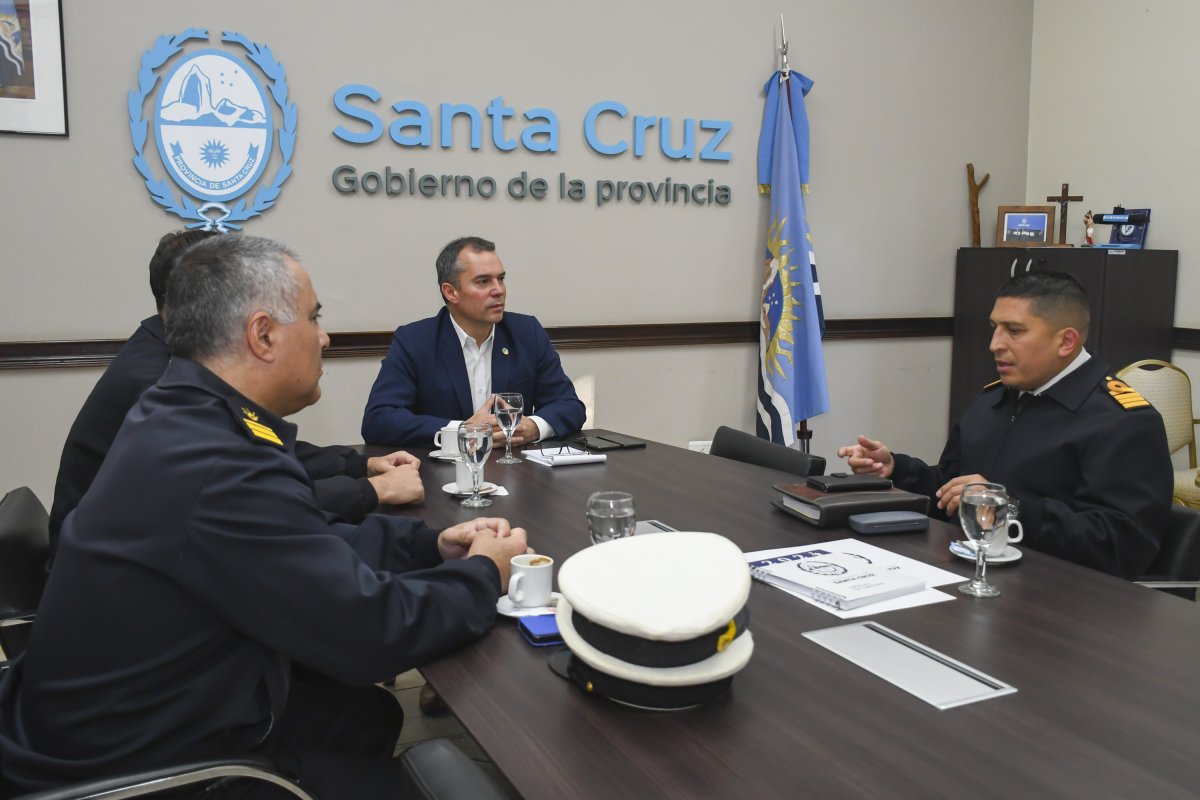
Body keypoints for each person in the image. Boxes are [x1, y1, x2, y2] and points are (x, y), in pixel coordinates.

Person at [0, 235, 530, 797]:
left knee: (364, 717)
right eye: (314, 317)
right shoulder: (219, 462)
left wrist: (429, 547)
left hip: (146, 709)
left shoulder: (190, 412)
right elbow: (371, 634)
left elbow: (305, 535)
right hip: (144, 765)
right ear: (263, 335)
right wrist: (482, 574)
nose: (324, 337)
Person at [47, 230, 423, 558]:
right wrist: (369, 491)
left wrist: (357, 466)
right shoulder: (161, 385)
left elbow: (264, 450)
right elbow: (258, 500)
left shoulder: (174, 357)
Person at [837, 270, 1172, 579]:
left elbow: (1121, 547)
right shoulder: (995, 399)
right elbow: (953, 488)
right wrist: (896, 470)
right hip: (967, 573)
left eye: (1014, 331)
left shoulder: (1124, 422)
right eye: (995, 327)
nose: (995, 344)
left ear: (1066, 342)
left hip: (1059, 598)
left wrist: (1007, 510)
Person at [361, 235, 585, 447]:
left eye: (501, 279)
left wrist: (533, 427)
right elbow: (378, 420)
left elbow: (570, 406)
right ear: (451, 292)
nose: (498, 290)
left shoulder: (527, 333)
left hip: (516, 467)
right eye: (483, 281)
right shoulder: (415, 341)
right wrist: (462, 431)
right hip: (443, 469)